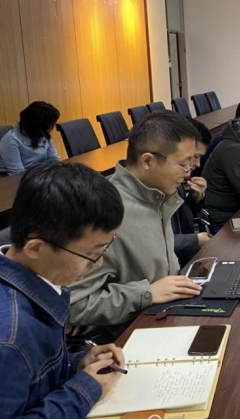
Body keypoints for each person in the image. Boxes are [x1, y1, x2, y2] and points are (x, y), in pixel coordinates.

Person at [0, 163, 126, 418]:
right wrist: (83, 391)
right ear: (36, 248)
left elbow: (34, 380)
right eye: (91, 255)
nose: (98, 263)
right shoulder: (9, 339)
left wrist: (76, 364)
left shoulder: (39, 282)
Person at [69, 112, 203, 340]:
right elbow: (74, 305)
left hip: (166, 316)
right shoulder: (105, 212)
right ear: (147, 161)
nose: (188, 172)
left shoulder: (157, 195)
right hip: (128, 337)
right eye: (183, 165)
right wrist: (145, 293)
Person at [173, 119, 213, 267]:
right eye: (194, 157)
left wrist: (196, 199)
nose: (197, 164)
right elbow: (154, 244)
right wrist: (194, 240)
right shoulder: (166, 180)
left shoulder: (177, 179)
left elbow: (183, 219)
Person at [0, 101, 61, 175]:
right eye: (48, 125)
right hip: (12, 178)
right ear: (36, 125)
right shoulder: (10, 140)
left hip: (39, 173)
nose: (50, 128)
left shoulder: (43, 134)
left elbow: (54, 159)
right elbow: (18, 173)